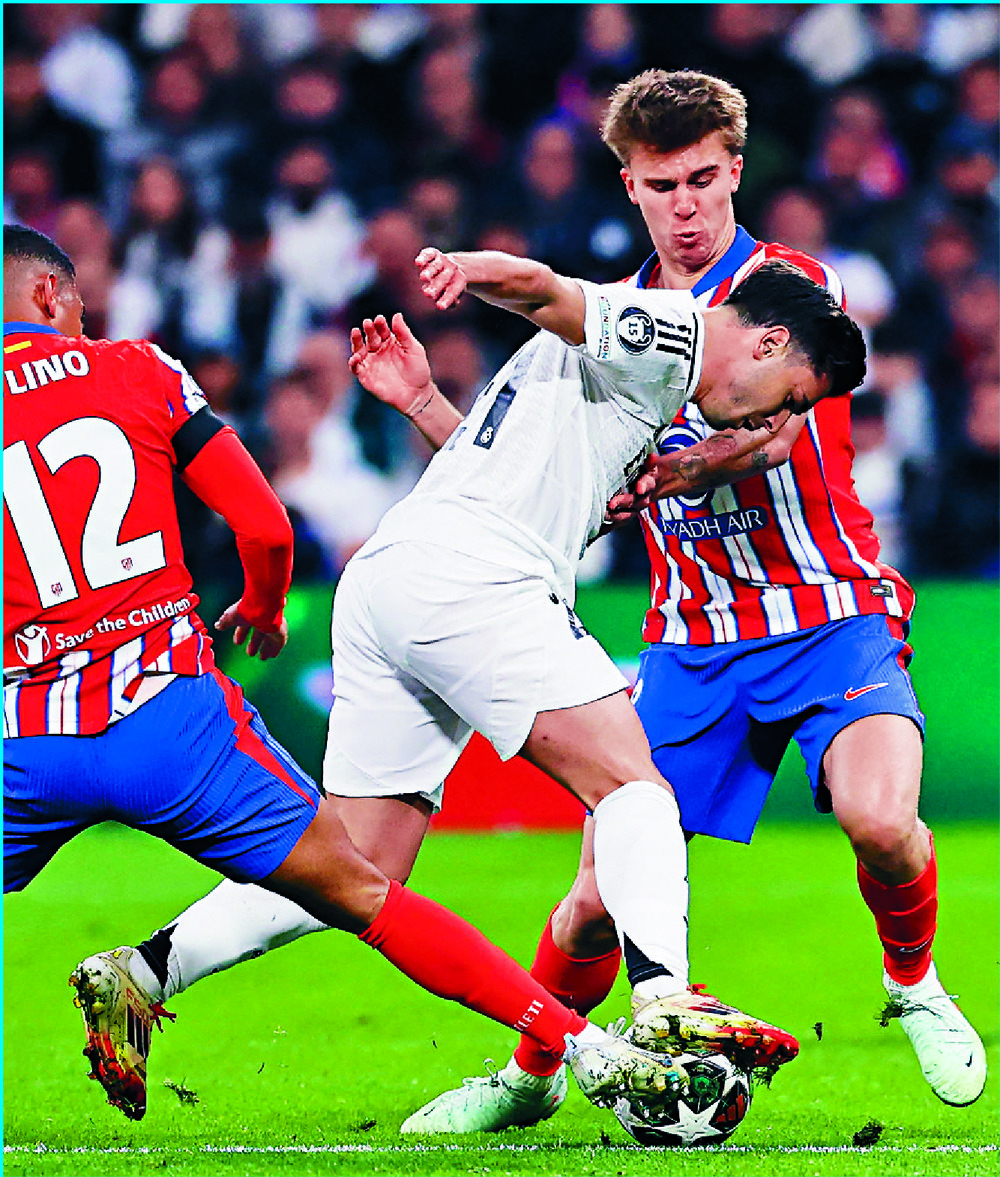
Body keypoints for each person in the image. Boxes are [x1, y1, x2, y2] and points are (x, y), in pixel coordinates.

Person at [73, 234, 866, 1122]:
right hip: (473, 579)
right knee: (633, 787)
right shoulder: (675, 330)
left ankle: (142, 971)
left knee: (361, 861)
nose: (762, 421)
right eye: (787, 397)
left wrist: (420, 399)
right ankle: (664, 1002)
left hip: (394, 578)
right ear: (767, 344)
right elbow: (543, 287)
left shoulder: (637, 395)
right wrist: (465, 267)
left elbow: (493, 469)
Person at [393, 69, 987, 1130]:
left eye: (703, 179)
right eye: (661, 183)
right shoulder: (610, 329)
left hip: (828, 610)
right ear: (629, 185)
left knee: (881, 820)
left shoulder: (793, 287)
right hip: (688, 642)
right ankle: (530, 1074)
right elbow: (521, 474)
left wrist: (705, 460)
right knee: (589, 902)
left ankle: (913, 982)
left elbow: (785, 420)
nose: (685, 204)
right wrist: (429, 403)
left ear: (735, 172)